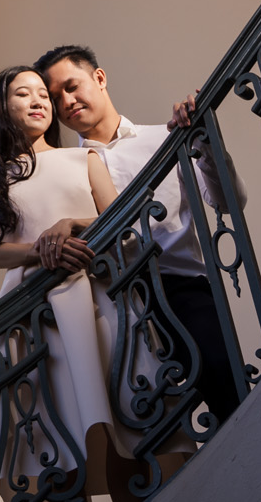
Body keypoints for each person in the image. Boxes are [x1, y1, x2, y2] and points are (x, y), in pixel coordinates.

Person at [33, 45, 244, 427]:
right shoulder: (64, 171)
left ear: (99, 78)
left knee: (232, 401)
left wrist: (205, 141)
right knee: (148, 430)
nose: (65, 101)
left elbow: (229, 202)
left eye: (71, 85)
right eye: (54, 96)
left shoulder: (161, 140)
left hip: (183, 291)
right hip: (113, 309)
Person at [0, 65, 137, 502]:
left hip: (93, 295)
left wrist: (71, 226)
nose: (40, 100)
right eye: (24, 93)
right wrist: (40, 252)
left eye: (44, 93)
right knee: (50, 428)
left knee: (115, 415)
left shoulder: (84, 160)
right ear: (2, 108)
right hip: (30, 312)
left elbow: (121, 219)